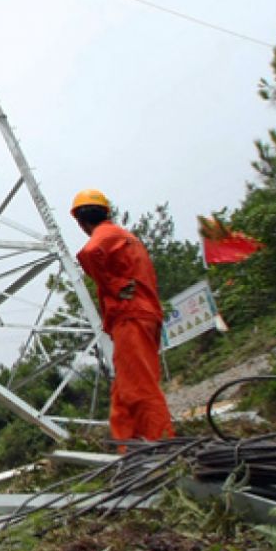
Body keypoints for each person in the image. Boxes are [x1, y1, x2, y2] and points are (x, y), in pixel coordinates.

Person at [69, 189, 175, 449]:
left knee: (139, 389)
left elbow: (88, 253)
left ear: (81, 221)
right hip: (139, 316)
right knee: (123, 394)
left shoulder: (105, 236)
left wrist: (114, 285)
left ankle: (161, 449)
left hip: (131, 318)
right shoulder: (124, 237)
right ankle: (129, 451)